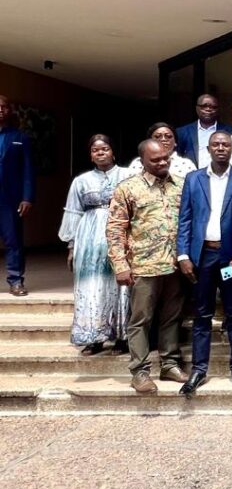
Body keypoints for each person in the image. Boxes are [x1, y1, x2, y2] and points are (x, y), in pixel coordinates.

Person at [106, 139, 187, 392]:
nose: (162, 162)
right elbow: (115, 229)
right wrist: (120, 264)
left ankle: (169, 364)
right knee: (141, 319)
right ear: (142, 161)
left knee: (172, 317)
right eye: (156, 160)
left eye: (165, 158)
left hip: (175, 265)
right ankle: (140, 371)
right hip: (143, 265)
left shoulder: (181, 185)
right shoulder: (127, 188)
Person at [175, 131, 232, 397]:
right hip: (203, 258)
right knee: (202, 314)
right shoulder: (193, 179)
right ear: (208, 149)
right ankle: (199, 369)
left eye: (225, 145)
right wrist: (183, 255)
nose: (220, 148)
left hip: (229, 259)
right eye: (215, 144)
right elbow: (185, 218)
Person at [59, 134, 132, 354]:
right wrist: (71, 246)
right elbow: (73, 212)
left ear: (113, 152)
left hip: (120, 235)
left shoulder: (128, 175)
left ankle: (122, 338)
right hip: (89, 240)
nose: (100, 153)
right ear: (91, 155)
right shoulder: (81, 181)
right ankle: (93, 338)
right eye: (95, 150)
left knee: (121, 286)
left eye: (105, 148)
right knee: (91, 287)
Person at [0, 95, 34, 297]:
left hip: (9, 198)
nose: (0, 110)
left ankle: (15, 281)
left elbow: (28, 170)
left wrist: (27, 197)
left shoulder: (20, 137)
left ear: (9, 110)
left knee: (13, 241)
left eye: (3, 106)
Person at [176, 93, 232, 169]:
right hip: (191, 173)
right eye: (204, 106)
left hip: (221, 173)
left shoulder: (230, 131)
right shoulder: (182, 132)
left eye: (213, 107)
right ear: (197, 108)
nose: (208, 109)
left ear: (218, 110)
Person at [127, 122, 196, 180]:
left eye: (168, 136)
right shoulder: (137, 163)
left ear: (175, 142)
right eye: (157, 137)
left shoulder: (186, 164)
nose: (163, 139)